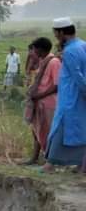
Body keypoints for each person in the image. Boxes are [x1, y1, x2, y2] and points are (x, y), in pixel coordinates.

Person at [43, 17, 86, 173]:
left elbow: (78, 76)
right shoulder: (83, 45)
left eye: (56, 32)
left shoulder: (70, 51)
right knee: (80, 129)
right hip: (79, 97)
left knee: (59, 127)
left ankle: (50, 164)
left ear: (61, 32)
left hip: (70, 96)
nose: (55, 35)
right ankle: (81, 164)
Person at [23, 37, 61, 165]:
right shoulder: (43, 61)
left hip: (49, 103)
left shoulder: (53, 62)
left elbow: (57, 85)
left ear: (39, 49)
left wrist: (40, 95)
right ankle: (35, 158)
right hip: (39, 102)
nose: (32, 51)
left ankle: (51, 161)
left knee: (48, 132)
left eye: (34, 49)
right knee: (36, 130)